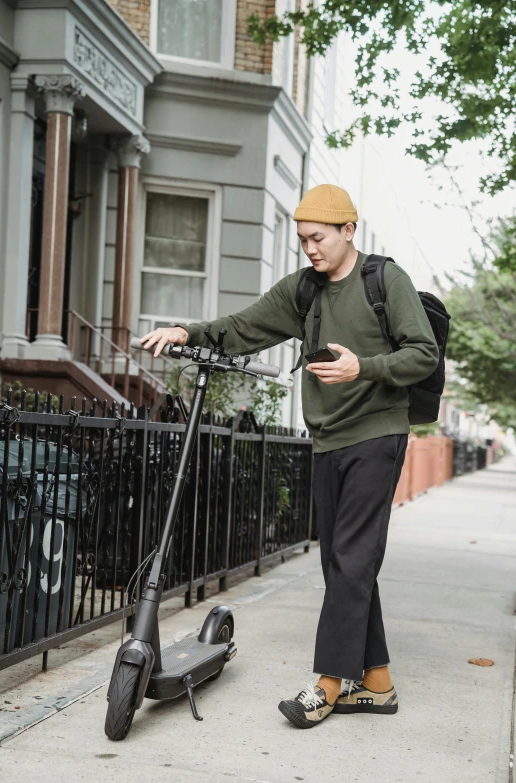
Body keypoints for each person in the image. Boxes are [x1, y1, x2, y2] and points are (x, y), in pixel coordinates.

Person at [140, 184, 439, 729]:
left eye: (318, 238)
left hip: (376, 435)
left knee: (351, 559)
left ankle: (327, 685)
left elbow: (423, 352)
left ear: (350, 230)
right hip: (327, 437)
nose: (310, 249)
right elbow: (246, 327)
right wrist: (188, 331)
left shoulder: (385, 280)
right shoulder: (304, 290)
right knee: (342, 563)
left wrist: (363, 368)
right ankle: (377, 683)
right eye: (303, 240)